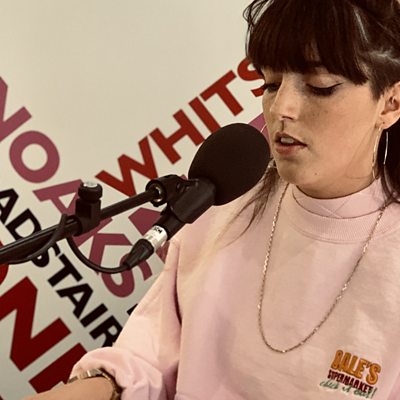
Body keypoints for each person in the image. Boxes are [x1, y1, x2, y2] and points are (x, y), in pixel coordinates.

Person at [24, 0, 400, 399]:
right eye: (270, 84)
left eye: (320, 86)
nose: (281, 108)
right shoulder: (223, 202)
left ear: (390, 103)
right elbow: (145, 362)